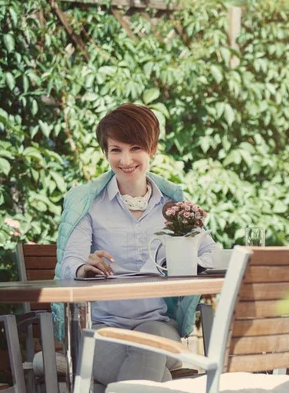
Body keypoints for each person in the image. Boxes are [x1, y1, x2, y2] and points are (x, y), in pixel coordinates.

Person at [53, 103, 218, 389]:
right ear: (106, 153)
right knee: (157, 377)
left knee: (147, 344)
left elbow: (210, 253)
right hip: (101, 331)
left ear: (152, 149)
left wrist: (186, 261)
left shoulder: (174, 207)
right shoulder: (87, 204)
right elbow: (70, 262)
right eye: (116, 150)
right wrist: (83, 267)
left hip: (159, 327)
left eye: (135, 148)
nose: (125, 159)